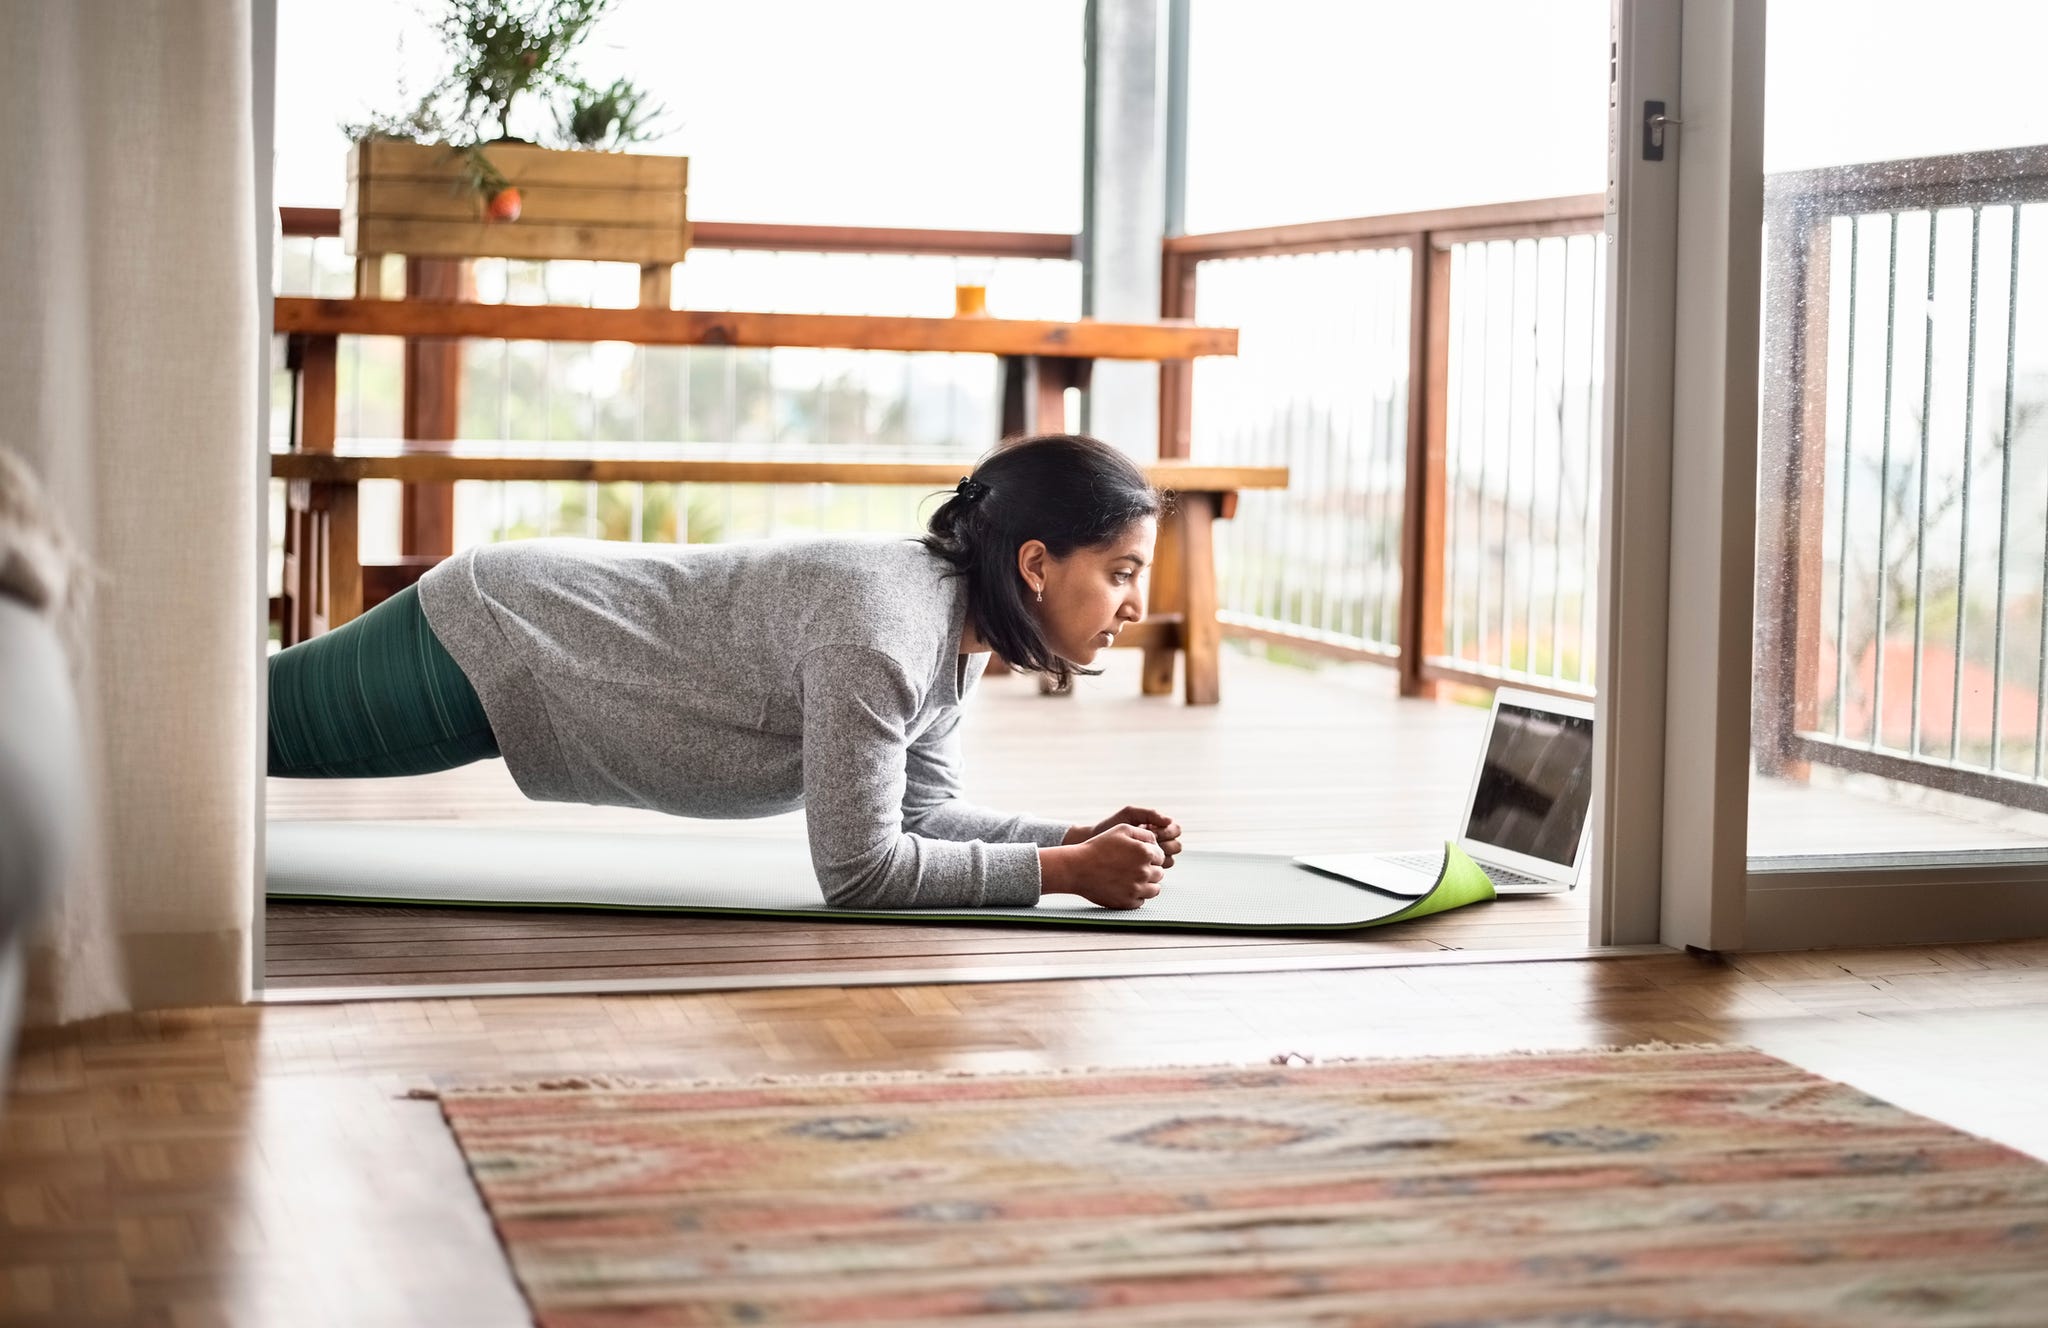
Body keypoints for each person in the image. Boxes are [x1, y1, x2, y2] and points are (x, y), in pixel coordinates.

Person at [267, 433, 1184, 911]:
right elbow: (862, 871)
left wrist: (1074, 834)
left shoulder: (950, 631)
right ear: (1035, 565)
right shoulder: (885, 633)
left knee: (210, 730)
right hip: (501, 640)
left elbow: (922, 817)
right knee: (213, 726)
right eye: (1122, 572)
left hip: (529, 655)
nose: (1134, 605)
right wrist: (1064, 872)